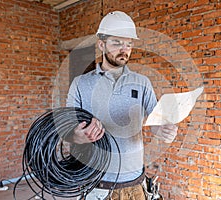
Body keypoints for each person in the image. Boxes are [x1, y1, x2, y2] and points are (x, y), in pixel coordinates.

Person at [66, 11, 178, 200]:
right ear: (101, 44)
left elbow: (156, 122)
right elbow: (67, 130)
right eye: (117, 43)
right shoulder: (80, 84)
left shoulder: (142, 82)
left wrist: (165, 131)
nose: (124, 49)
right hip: (96, 187)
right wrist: (78, 136)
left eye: (128, 44)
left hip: (135, 184)